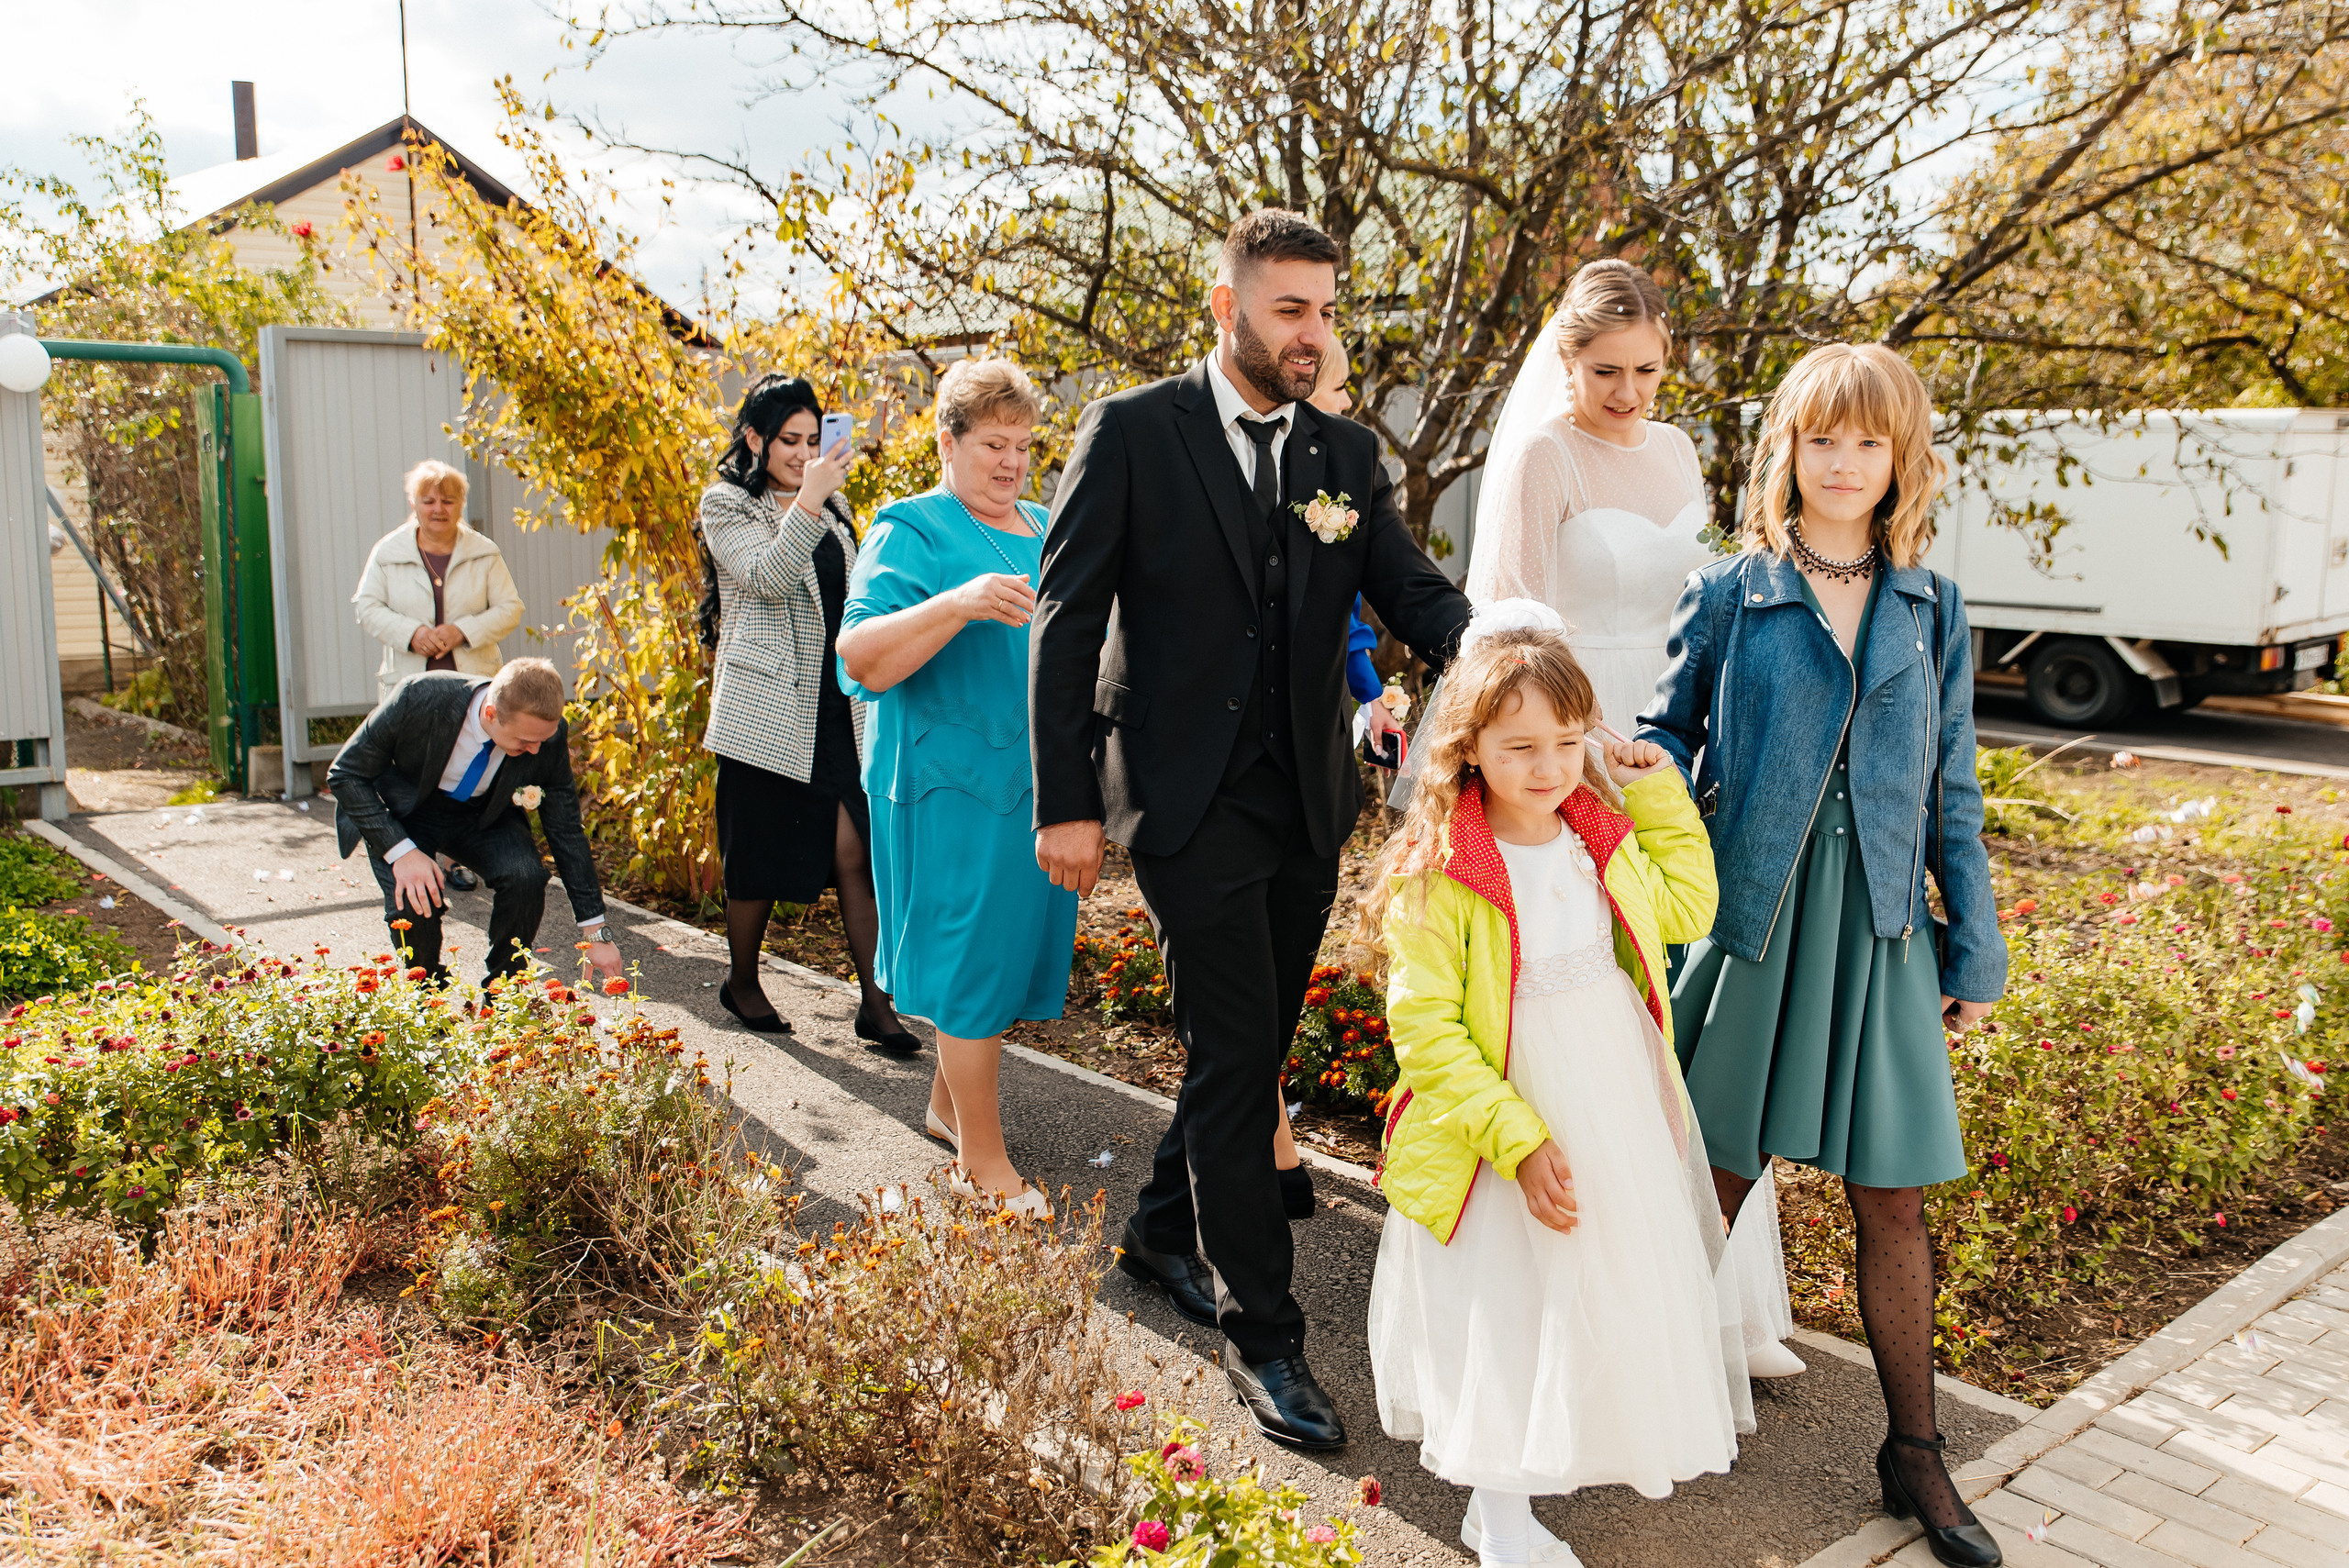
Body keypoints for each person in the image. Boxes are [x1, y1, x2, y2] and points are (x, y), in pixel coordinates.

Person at [1031, 208, 1473, 1451]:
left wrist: (1503, 651)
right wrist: (1063, 802)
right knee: (1235, 1048)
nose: (1314, 334)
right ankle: (1265, 1339)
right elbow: (1065, 622)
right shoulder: (1132, 431)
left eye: (1327, 312)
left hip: (1302, 803)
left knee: (1251, 1046)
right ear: (1227, 308)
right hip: (1179, 801)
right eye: (1291, 310)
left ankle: (1162, 1228)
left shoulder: (1341, 452)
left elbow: (1408, 585)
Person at [1643, 343, 2006, 1568]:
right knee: (1716, 1179)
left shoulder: (1933, 605)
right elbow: (1657, 738)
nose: (1841, 463)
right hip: (1753, 925)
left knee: (1891, 1200)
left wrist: (1980, 949)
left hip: (1886, 933)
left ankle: (1917, 1454)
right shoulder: (1733, 591)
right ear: (1785, 450)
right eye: (1820, 439)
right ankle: (1623, 1402)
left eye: (1866, 442)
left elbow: (1954, 783)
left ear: (1902, 457)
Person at [1461, 258, 1808, 1378]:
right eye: (1604, 370)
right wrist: (1572, 752)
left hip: (1664, 744)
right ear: (1564, 361)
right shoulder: (1538, 457)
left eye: (1648, 370)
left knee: (1678, 1007)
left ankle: (1716, 1297)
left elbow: (1694, 609)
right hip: (1568, 744)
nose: (1629, 393)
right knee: (1609, 1003)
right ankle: (1606, 1294)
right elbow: (1509, 624)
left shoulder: (1673, 450)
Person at [1364, 606, 1747, 1567]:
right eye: (1521, 745)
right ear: (1468, 747)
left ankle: (1526, 1482)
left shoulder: (1598, 836)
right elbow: (1426, 1031)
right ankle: (1497, 1514)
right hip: (1501, 1107)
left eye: (1568, 743)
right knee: (1505, 1295)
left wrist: (1654, 791)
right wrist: (1518, 1136)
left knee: (1586, 1286)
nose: (1548, 766)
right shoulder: (1439, 870)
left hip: (1606, 1081)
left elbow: (1691, 906)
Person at [837, 359, 1073, 1219]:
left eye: (1022, 445)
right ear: (949, 441)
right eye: (992, 445)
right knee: (972, 961)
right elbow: (860, 658)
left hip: (1030, 783)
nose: (1011, 463)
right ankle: (982, 1159)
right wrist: (962, 602)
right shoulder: (912, 529)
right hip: (945, 787)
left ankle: (945, 1105)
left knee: (1004, 954)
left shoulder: (1047, 525)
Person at [698, 375, 917, 1052]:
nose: (802, 453)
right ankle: (741, 979)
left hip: (837, 705)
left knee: (857, 849)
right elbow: (766, 576)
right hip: (766, 711)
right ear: (755, 439)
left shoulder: (838, 504)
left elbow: (852, 596)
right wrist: (811, 501)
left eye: (811, 439)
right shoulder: (727, 504)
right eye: (788, 440)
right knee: (757, 855)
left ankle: (876, 1006)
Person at [328, 658, 621, 986]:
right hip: (406, 810)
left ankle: (504, 998)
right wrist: (403, 853)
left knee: (525, 876)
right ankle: (426, 999)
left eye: (542, 740)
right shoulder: (420, 695)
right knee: (413, 899)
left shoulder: (545, 737)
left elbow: (565, 828)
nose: (536, 750)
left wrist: (597, 931)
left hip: (482, 813)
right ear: (491, 713)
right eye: (525, 742)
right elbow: (345, 773)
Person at [353, 458, 526, 894]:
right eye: (428, 500)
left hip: (472, 683)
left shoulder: (483, 552)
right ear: (413, 502)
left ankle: (455, 858)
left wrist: (462, 631)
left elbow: (510, 608)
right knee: (414, 771)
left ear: (460, 504)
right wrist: (412, 634)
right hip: (410, 687)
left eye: (447, 500)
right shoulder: (388, 553)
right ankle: (415, 855)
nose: (438, 509)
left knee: (465, 769)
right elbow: (367, 607)